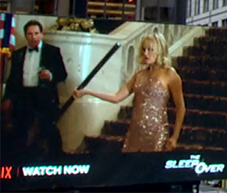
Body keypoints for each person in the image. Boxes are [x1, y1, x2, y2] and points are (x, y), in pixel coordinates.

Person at [74, 30, 185, 152]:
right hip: (135, 134)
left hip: (156, 134)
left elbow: (180, 108)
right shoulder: (139, 75)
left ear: (160, 51)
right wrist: (87, 92)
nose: (146, 53)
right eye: (144, 49)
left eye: (150, 50)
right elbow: (116, 97)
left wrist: (174, 137)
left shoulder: (170, 75)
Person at [1, 19, 68, 156]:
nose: (34, 37)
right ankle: (19, 162)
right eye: (30, 34)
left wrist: (50, 75)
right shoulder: (18, 54)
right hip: (23, 97)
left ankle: (57, 159)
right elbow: (13, 79)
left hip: (44, 97)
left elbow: (62, 74)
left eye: (36, 33)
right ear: (26, 35)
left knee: (49, 129)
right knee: (20, 129)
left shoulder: (52, 51)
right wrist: (7, 98)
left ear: (42, 34)